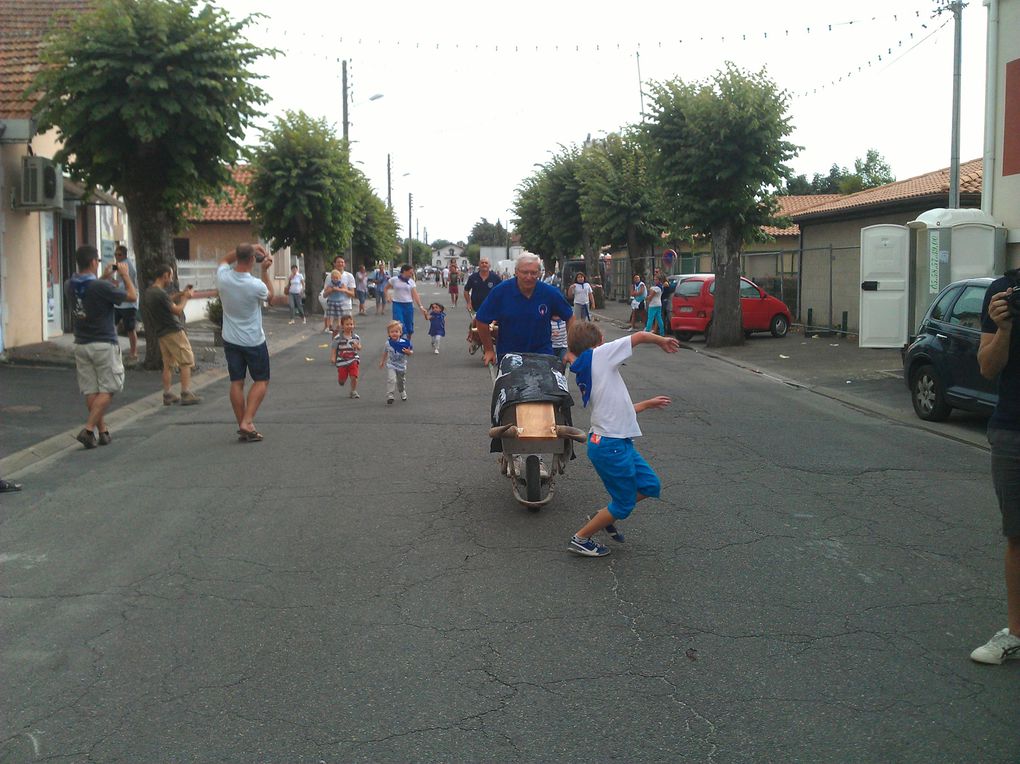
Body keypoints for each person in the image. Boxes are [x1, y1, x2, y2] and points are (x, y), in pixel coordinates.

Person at [565, 322, 679, 556]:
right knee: (625, 503)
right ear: (598, 343)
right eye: (604, 340)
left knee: (650, 485)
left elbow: (616, 409)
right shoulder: (600, 356)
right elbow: (637, 336)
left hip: (615, 442)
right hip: (610, 446)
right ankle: (581, 538)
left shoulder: (594, 366)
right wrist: (661, 340)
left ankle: (603, 516)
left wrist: (647, 404)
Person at [972, 277, 1020, 664]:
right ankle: (1016, 633)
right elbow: (988, 367)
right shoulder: (1002, 293)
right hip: (1013, 432)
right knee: (1018, 536)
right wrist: (1004, 328)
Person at [65, 244, 136, 449]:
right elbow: (132, 297)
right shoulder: (101, 287)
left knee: (92, 390)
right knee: (111, 387)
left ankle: (102, 431)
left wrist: (103, 277)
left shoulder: (70, 284)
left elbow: (90, 292)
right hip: (103, 342)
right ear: (94, 262)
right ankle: (88, 430)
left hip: (81, 343)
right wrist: (125, 276)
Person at [217, 243, 274, 442]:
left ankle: (242, 422)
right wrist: (265, 271)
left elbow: (225, 259)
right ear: (252, 260)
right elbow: (271, 297)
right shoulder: (255, 285)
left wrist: (248, 247)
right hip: (253, 340)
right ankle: (247, 421)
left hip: (230, 339)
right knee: (261, 380)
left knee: (236, 381)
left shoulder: (223, 277)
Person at [474, 253, 574, 366]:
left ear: (539, 273)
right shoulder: (500, 292)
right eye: (525, 272)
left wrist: (571, 350)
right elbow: (481, 320)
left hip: (542, 356)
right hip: (510, 357)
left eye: (533, 273)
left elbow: (570, 317)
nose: (529, 277)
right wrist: (489, 350)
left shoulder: (550, 293)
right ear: (516, 272)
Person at [142, 264, 202, 406]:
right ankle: (186, 393)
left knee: (167, 365)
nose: (171, 279)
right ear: (165, 276)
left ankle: (167, 394)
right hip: (173, 330)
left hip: (161, 332)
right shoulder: (160, 294)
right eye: (171, 275)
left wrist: (181, 293)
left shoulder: (150, 292)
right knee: (186, 360)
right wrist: (186, 297)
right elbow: (177, 310)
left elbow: (167, 299)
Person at [109, 244, 139, 360]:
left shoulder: (128, 265)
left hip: (128, 303)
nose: (116, 256)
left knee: (130, 329)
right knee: (112, 325)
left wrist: (117, 284)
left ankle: (134, 352)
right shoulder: (119, 264)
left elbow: (131, 282)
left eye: (119, 254)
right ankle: (114, 350)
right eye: (115, 254)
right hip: (119, 303)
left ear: (124, 255)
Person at [464, 257, 502, 344]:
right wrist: (469, 302)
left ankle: (490, 344)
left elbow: (502, 291)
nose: (484, 264)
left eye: (486, 263)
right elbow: (466, 290)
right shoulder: (473, 277)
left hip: (492, 307)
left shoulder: (495, 277)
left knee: (493, 327)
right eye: (482, 263)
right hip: (476, 306)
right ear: (479, 265)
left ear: (489, 265)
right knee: (477, 325)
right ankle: (473, 338)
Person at [384, 264, 428, 339]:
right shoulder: (394, 280)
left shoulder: (411, 282)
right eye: (410, 272)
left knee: (409, 327)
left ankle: (407, 342)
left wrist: (421, 306)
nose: (412, 274)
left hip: (408, 305)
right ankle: (401, 343)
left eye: (412, 273)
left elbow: (415, 295)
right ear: (404, 271)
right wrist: (388, 296)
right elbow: (385, 289)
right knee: (399, 324)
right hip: (397, 304)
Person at [379, 320, 413, 404]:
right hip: (391, 364)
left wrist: (408, 352)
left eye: (396, 331)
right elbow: (385, 352)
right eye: (392, 332)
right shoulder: (388, 343)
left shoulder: (404, 343)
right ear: (389, 333)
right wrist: (382, 361)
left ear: (400, 333)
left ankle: (402, 391)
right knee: (392, 379)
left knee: (400, 381)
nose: (394, 333)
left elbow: (410, 352)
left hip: (401, 365)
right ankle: (390, 395)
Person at [331, 314, 362, 398]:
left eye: (351, 324)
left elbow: (360, 347)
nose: (349, 326)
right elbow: (334, 348)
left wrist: (357, 346)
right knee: (342, 380)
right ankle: (341, 379)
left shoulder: (356, 337)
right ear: (342, 326)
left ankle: (353, 391)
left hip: (353, 359)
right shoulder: (338, 338)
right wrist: (333, 357)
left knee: (354, 377)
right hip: (342, 361)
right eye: (347, 324)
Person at [324, 268, 347, 334]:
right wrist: (331, 290)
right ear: (331, 278)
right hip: (331, 301)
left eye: (337, 278)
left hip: (339, 301)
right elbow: (325, 292)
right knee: (331, 314)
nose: (335, 279)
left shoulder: (341, 284)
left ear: (339, 278)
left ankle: (339, 325)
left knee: (340, 314)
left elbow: (345, 290)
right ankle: (330, 325)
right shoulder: (330, 284)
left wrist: (338, 289)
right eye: (334, 278)